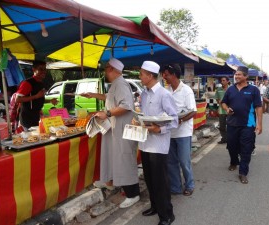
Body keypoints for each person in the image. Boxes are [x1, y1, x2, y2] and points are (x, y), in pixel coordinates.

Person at [81, 58, 140, 208]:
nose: (105, 72)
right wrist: (93, 95)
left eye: (106, 69)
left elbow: (126, 106)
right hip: (116, 129)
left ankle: (133, 194)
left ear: (112, 69)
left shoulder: (120, 84)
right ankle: (112, 182)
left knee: (125, 161)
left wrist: (106, 113)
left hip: (123, 130)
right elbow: (110, 98)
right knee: (117, 159)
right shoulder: (117, 84)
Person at [138, 61, 178, 225]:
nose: (140, 77)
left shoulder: (164, 94)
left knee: (160, 181)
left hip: (158, 145)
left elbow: (175, 121)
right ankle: (155, 206)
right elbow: (144, 114)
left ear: (149, 75)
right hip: (145, 142)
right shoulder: (144, 93)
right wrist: (138, 120)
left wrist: (159, 130)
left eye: (141, 74)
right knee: (149, 179)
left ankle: (167, 215)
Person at [221, 66, 262, 184]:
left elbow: (258, 107)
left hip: (248, 125)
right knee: (231, 146)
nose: (236, 76)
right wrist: (227, 109)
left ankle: (243, 172)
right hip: (232, 123)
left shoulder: (254, 90)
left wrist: (259, 124)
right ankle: (234, 162)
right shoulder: (230, 89)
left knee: (246, 148)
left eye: (239, 74)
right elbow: (224, 102)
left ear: (246, 76)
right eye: (236, 74)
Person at [161, 64, 196, 197]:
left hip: (183, 132)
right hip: (170, 132)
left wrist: (180, 120)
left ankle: (190, 185)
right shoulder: (167, 90)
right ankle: (175, 187)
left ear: (174, 75)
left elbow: (193, 111)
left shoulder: (186, 90)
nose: (164, 77)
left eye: (166, 74)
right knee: (171, 162)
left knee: (183, 160)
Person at [16, 60, 57, 130]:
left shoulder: (40, 83)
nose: (43, 71)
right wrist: (36, 96)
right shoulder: (27, 83)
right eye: (41, 69)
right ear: (34, 69)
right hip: (27, 119)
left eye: (45, 69)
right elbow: (18, 99)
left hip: (36, 116)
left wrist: (50, 100)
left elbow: (39, 99)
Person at [215, 76, 229, 144]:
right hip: (221, 110)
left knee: (231, 125)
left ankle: (230, 138)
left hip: (230, 110)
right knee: (222, 126)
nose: (222, 82)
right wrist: (219, 101)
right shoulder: (218, 89)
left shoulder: (231, 89)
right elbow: (217, 98)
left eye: (223, 80)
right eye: (221, 80)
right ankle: (224, 138)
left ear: (227, 81)